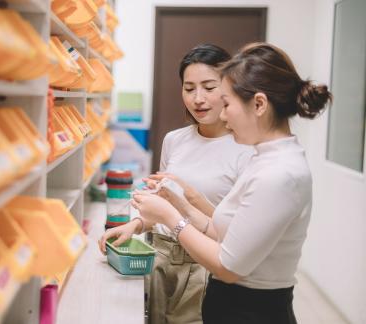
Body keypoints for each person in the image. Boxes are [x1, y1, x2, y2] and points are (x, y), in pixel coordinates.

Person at [131, 42, 332, 324]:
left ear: (259, 104)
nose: (222, 115)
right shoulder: (266, 159)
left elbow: (227, 266)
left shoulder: (278, 174)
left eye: (226, 104)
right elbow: (219, 230)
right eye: (189, 88)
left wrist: (170, 216)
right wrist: (181, 202)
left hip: (251, 312)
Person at [98, 44, 253, 324]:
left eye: (208, 87)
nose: (198, 98)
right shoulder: (175, 140)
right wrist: (134, 226)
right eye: (189, 87)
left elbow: (236, 231)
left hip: (203, 268)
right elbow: (165, 205)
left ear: (230, 87)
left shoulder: (246, 150)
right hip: (158, 255)